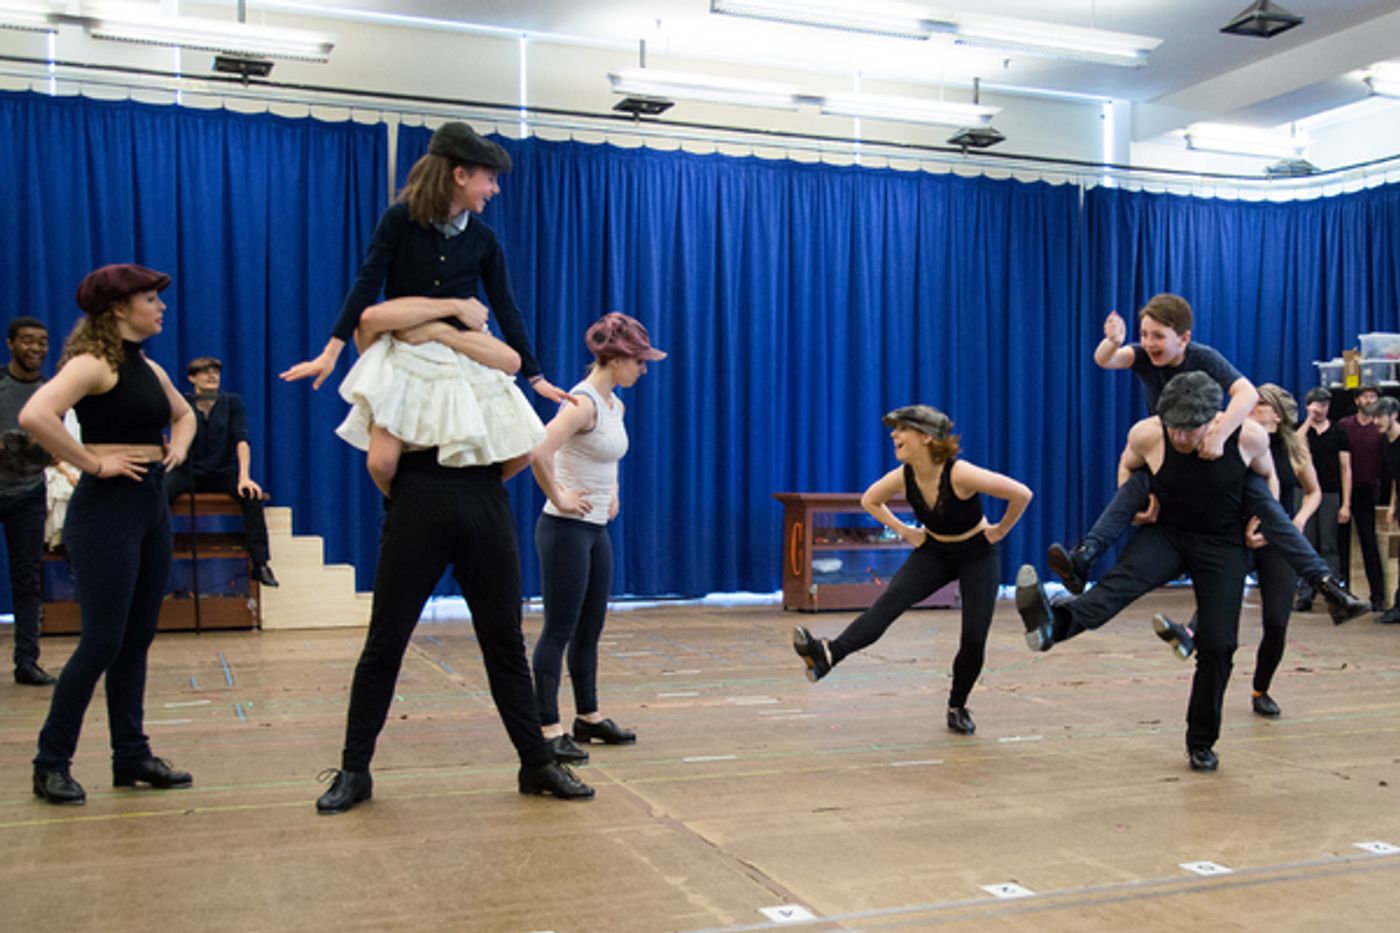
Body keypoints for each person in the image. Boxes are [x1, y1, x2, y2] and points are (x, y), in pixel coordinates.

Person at [313, 297, 592, 814]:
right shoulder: (485, 363)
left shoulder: (400, 360)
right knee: (503, 642)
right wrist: (476, 487)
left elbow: (382, 460)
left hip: (419, 496)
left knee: (386, 643)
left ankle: (355, 771)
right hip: (483, 496)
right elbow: (522, 450)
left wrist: (409, 495)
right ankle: (536, 762)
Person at [280, 121, 568, 495]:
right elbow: (368, 283)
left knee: (520, 447)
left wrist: (536, 377)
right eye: (490, 179)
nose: (495, 189)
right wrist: (331, 351)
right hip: (408, 340)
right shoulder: (401, 220)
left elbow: (505, 305)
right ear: (460, 175)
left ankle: (466, 498)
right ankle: (404, 506)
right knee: (381, 461)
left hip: (462, 345)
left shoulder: (483, 239)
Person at [1046, 293, 1365, 625]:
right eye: (1144, 335)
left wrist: (1219, 433)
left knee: (1265, 504)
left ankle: (1326, 585)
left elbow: (1247, 393)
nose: (1148, 343)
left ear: (1183, 339)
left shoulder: (1204, 359)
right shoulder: (1143, 363)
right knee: (1136, 484)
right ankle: (1085, 556)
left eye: (1157, 336)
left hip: (1208, 451)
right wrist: (1112, 341)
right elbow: (1105, 360)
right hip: (1168, 451)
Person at [1015, 373, 1271, 772]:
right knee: (1119, 585)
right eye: (1174, 429)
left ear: (1212, 421)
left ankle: (1201, 742)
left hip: (1223, 544)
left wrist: (1261, 523)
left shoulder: (1248, 435)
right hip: (1168, 533)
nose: (1181, 438)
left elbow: (1268, 476)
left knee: (1219, 645)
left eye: (1189, 431)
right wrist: (1139, 504)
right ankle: (1053, 626)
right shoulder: (1148, 434)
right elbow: (1128, 465)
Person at [19, 264, 195, 804]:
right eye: (150, 299)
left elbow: (184, 415)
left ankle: (131, 755)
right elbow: (35, 415)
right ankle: (50, 762)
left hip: (148, 506)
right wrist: (92, 464)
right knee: (102, 640)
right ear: (119, 308)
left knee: (137, 639)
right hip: (105, 512)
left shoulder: (148, 367)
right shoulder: (92, 364)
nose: (160, 307)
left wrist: (177, 450)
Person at [791, 405, 1033, 736]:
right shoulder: (903, 475)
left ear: (927, 437)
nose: (894, 435)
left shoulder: (960, 473)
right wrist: (907, 531)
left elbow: (1021, 494)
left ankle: (957, 705)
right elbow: (870, 500)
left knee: (974, 637)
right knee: (888, 604)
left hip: (976, 554)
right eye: (895, 429)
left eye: (902, 429)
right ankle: (829, 654)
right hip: (934, 551)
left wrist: (1000, 531)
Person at [528, 313, 664, 764]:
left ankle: (588, 717)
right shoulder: (582, 403)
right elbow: (538, 449)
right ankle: (547, 728)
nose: (642, 370)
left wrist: (614, 492)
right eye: (638, 362)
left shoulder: (614, 405)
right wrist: (560, 495)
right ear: (617, 358)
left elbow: (611, 456)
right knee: (559, 629)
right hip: (564, 530)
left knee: (591, 628)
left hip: (595, 531)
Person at [1154, 385, 1322, 718]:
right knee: (1219, 598)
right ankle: (1187, 636)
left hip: (1275, 542)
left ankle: (1261, 689)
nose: (1250, 408)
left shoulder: (1294, 448)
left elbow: (1313, 492)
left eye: (1259, 404)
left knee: (1276, 622)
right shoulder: (1240, 442)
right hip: (1239, 536)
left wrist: (1299, 520)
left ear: (1276, 413)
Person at [165, 356, 277, 587]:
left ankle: (260, 564)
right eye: (205, 372)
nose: (212, 376)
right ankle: (158, 562)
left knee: (251, 496)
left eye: (215, 372)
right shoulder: (182, 403)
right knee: (160, 494)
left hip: (222, 471)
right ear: (192, 378)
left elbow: (241, 440)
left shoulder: (232, 402)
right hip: (188, 470)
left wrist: (244, 477)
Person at [0, 317, 57, 685]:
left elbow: (53, 448)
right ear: (10, 344)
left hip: (28, 495)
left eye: (42, 342)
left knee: (28, 579)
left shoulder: (51, 392)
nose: (35, 348)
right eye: (27, 341)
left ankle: (27, 661)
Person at [1294, 386, 1351, 611]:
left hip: (1329, 492)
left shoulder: (1338, 432)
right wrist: (1308, 420)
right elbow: (1295, 443)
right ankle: (1305, 594)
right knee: (1305, 543)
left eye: (1325, 404)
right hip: (1305, 492)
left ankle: (1333, 594)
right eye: (1317, 404)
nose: (1321, 409)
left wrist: (1345, 503)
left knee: (1329, 545)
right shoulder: (1301, 429)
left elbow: (1346, 468)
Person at [1337, 384, 1386, 611]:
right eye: (1365, 397)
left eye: (1373, 397)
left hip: (1369, 491)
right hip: (1343, 491)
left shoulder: (1380, 428)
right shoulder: (1345, 426)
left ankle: (1378, 596)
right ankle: (1342, 592)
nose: (1369, 400)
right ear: (1357, 400)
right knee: (1340, 542)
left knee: (1369, 542)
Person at [1373, 397, 1400, 624]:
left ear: (1394, 415)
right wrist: (1392, 506)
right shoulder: (1386, 442)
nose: (1376, 421)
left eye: (1380, 416)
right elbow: (1395, 479)